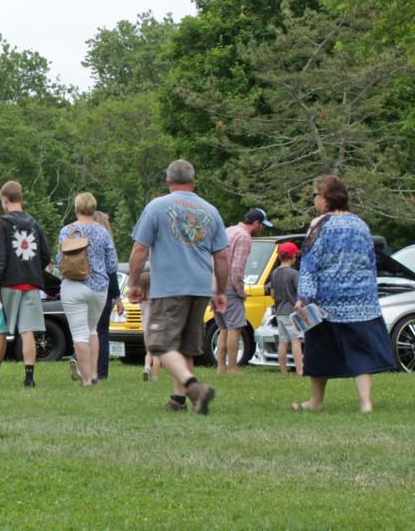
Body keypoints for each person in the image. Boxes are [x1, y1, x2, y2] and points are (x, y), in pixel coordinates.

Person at [127, 160, 227, 415]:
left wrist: (135, 283)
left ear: (168, 181)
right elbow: (222, 256)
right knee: (186, 347)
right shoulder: (210, 211)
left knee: (159, 345)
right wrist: (220, 291)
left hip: (170, 288)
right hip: (200, 288)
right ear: (193, 182)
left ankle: (195, 388)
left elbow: (140, 248)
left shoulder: (157, 206)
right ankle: (180, 401)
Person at [292, 175, 394, 413]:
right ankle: (366, 403)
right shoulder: (361, 224)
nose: (314, 200)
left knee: (319, 351)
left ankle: (316, 401)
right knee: (362, 353)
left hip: (327, 303)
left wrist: (303, 297)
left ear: (326, 198)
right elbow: (370, 263)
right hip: (361, 302)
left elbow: (310, 264)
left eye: (315, 195)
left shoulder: (319, 225)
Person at [0, 181, 51, 388]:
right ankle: (29, 379)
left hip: (8, 284)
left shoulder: (2, 223)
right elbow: (45, 255)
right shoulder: (34, 224)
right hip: (31, 284)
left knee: (1, 329)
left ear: (5, 200)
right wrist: (32, 270)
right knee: (28, 331)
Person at [56, 193, 119, 386]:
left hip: (74, 285)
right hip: (99, 288)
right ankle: (93, 375)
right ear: (93, 208)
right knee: (93, 330)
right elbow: (112, 264)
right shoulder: (103, 232)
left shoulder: (67, 231)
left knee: (79, 335)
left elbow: (59, 261)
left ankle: (85, 380)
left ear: (76, 209)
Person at [215, 208, 272, 374]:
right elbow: (237, 268)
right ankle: (233, 367)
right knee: (235, 327)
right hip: (229, 287)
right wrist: (241, 291)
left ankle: (221, 367)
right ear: (256, 223)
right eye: (263, 226)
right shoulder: (244, 237)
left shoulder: (229, 231)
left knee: (224, 327)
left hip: (214, 285)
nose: (263, 229)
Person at [266, 241, 303, 376]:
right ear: (292, 257)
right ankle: (300, 370)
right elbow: (301, 292)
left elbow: (272, 294)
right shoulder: (294, 273)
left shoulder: (274, 273)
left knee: (283, 341)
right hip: (291, 312)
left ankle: (283, 371)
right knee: (296, 340)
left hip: (279, 311)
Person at [93, 211, 121, 380]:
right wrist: (117, 297)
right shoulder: (107, 243)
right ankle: (102, 371)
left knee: (87, 330)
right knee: (102, 332)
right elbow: (112, 271)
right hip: (104, 292)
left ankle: (80, 360)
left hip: (87, 289)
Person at [136, 271, 161, 381]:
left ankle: (147, 367)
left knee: (149, 352)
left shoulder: (140, 299)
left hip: (146, 327)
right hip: (156, 326)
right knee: (157, 354)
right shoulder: (156, 297)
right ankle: (155, 377)